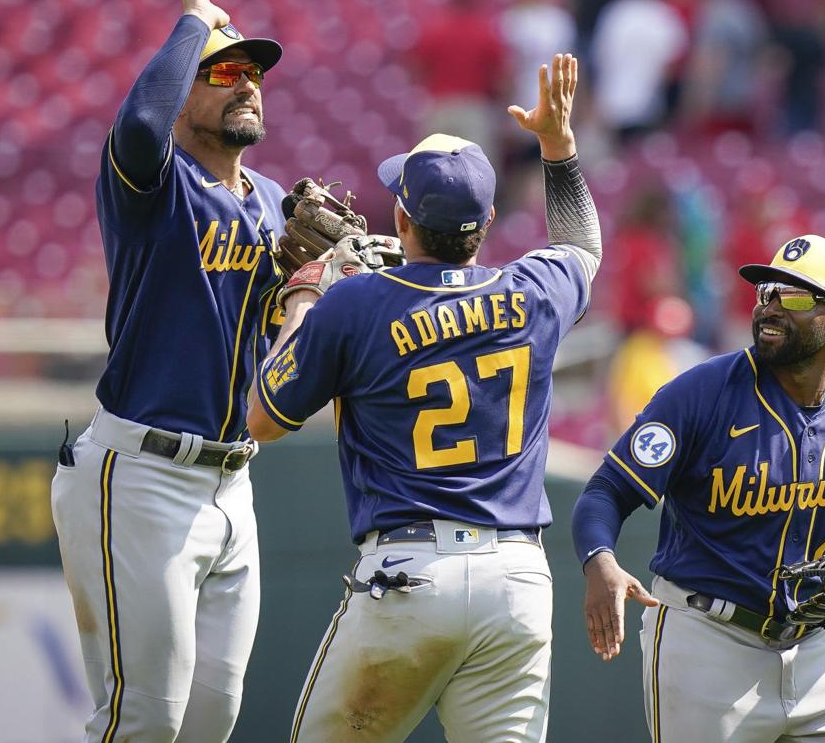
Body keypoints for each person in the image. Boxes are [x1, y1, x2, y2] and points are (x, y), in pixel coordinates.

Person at [247, 53, 600, 742]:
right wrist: (558, 149)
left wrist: (304, 294)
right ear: (488, 219)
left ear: (402, 218)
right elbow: (583, 244)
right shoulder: (534, 290)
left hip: (409, 574)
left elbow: (263, 417)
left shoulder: (354, 303)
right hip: (517, 579)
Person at [50, 0, 286, 742]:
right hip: (140, 473)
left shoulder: (277, 204)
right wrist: (194, 21)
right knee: (145, 720)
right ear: (185, 89)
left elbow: (285, 344)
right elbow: (143, 126)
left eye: (252, 72)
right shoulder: (154, 181)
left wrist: (317, 289)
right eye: (223, 72)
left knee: (213, 719)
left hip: (233, 483)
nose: (246, 82)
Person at [573, 234, 825, 742]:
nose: (773, 307)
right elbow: (607, 490)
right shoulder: (701, 392)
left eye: (796, 296)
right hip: (706, 641)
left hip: (811, 649)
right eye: (768, 293)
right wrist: (599, 560)